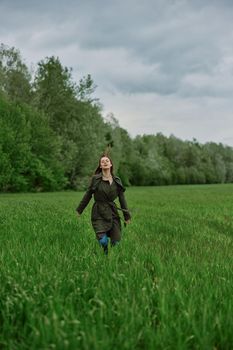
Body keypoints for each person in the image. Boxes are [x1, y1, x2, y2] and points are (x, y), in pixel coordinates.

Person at [76, 154, 131, 255]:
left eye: (107, 161)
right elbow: (88, 195)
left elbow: (122, 199)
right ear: (100, 166)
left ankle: (111, 258)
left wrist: (126, 216)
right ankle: (105, 254)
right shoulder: (96, 179)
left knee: (116, 242)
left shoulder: (117, 181)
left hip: (112, 212)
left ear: (111, 164)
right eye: (102, 161)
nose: (105, 162)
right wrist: (80, 210)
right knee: (103, 241)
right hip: (99, 212)